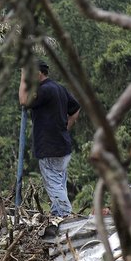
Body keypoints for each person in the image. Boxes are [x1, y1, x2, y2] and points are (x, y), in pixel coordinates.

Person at [19, 60, 81, 218]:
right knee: (59, 184)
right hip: (62, 145)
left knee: (54, 185)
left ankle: (64, 217)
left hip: (49, 147)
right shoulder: (59, 88)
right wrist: (66, 127)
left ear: (38, 73)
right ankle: (57, 214)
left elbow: (24, 101)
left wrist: (22, 79)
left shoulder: (44, 90)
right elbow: (75, 109)